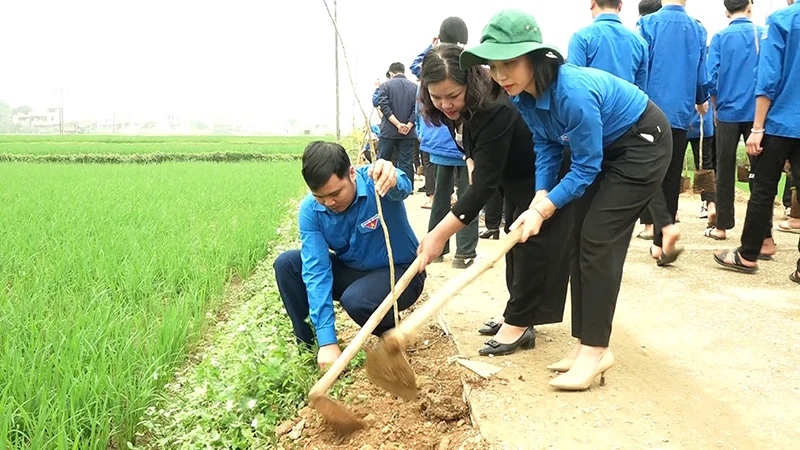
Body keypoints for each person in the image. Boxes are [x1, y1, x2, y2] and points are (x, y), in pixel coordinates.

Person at [461, 9, 673, 389]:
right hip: (605, 148)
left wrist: (543, 209)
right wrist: (540, 195)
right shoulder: (523, 96)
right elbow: (546, 144)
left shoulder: (572, 93)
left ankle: (596, 350)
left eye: (509, 63)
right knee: (578, 237)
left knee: (598, 239)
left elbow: (585, 167)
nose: (501, 75)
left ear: (535, 58)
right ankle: (584, 343)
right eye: (494, 66)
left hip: (642, 143)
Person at [416, 43, 574, 356]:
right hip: (513, 175)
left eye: (452, 95)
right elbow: (469, 142)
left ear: (470, 84)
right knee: (512, 239)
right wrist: (471, 160)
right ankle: (514, 311)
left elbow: (482, 188)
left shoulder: (495, 108)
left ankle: (520, 322)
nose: (445, 104)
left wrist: (438, 235)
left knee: (529, 243)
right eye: (437, 97)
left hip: (542, 172)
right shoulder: (454, 108)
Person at [273, 142, 426, 369]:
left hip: (402, 274)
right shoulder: (311, 211)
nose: (329, 203)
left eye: (335, 193)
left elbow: (402, 187)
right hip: (355, 274)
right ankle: (311, 350)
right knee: (287, 264)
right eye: (320, 197)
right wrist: (328, 341)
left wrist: (392, 175)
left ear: (352, 173)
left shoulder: (377, 183)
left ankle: (393, 334)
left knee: (356, 299)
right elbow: (316, 270)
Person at [715, 0, 800, 287]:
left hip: (780, 121)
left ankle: (749, 252)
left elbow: (768, 76)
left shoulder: (782, 20)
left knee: (763, 189)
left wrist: (758, 127)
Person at [637, 0, 710, 262]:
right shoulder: (698, 29)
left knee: (646, 171)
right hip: (681, 112)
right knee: (671, 176)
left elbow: (640, 68)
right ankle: (660, 244)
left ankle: (664, 229)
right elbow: (702, 76)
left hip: (649, 110)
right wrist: (700, 99)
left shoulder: (647, 24)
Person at [410, 17, 479, 269]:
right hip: (463, 145)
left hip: (440, 145)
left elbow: (416, 66)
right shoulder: (467, 63)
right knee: (469, 196)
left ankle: (438, 250)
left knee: (441, 196)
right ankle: (464, 252)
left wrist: (431, 47)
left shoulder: (433, 63)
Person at [705, 0, 762, 241]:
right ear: (750, 6)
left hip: (727, 111)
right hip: (757, 113)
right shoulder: (762, 34)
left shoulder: (720, 37)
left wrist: (716, 106)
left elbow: (710, 78)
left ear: (726, 11)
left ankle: (722, 227)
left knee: (724, 170)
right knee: (760, 173)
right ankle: (762, 231)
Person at [568, 0, 648, 91]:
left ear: (592, 3)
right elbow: (641, 91)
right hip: (626, 99)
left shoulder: (581, 38)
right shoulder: (640, 43)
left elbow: (574, 85)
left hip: (593, 99)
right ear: (620, 6)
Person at [378, 62, 420, 190]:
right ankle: (407, 188)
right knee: (406, 161)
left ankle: (382, 186)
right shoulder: (415, 87)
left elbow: (384, 107)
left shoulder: (385, 86)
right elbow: (417, 109)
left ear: (391, 73)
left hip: (389, 131)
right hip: (409, 132)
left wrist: (397, 124)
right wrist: (408, 125)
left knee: (384, 160)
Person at [686, 105, 717, 221]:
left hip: (683, 121)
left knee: (674, 166)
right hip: (700, 121)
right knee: (706, 165)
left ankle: (672, 210)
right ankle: (710, 205)